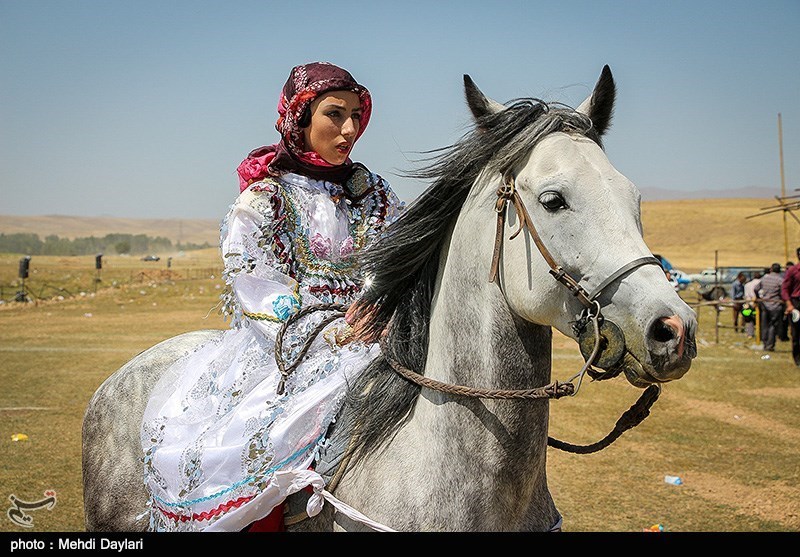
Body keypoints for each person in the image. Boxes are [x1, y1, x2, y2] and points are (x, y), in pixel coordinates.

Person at [140, 62, 404, 532]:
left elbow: (401, 258)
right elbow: (256, 284)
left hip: (377, 334)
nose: (349, 128)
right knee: (256, 450)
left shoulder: (376, 195)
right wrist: (332, 332)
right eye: (334, 114)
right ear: (300, 118)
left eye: (357, 115)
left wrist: (385, 308)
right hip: (289, 349)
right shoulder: (265, 199)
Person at [754, 263, 785, 352]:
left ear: (771, 269)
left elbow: (756, 289)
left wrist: (758, 298)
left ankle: (765, 342)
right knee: (773, 325)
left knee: (764, 325)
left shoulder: (765, 278)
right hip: (776, 305)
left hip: (764, 304)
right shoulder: (780, 280)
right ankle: (770, 345)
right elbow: (783, 292)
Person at [782, 250, 800, 366]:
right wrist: (789, 304)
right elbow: (785, 289)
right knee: (796, 333)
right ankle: (798, 359)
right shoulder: (793, 271)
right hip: (796, 303)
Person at [743, 271, 762, 339]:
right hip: (759, 304)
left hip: (749, 304)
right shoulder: (761, 283)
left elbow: (746, 296)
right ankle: (760, 334)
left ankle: (750, 334)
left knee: (750, 319)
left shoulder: (747, 285)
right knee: (760, 319)